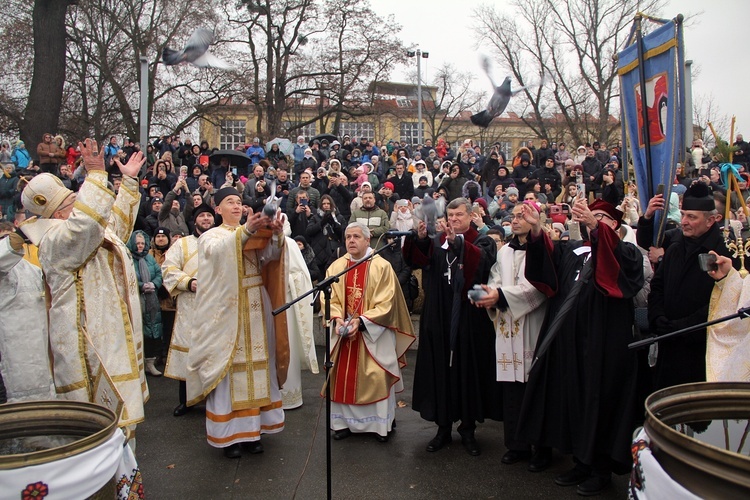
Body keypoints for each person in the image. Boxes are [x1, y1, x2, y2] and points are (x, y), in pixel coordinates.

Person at [19, 139, 148, 433]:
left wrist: (128, 181)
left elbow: (115, 226)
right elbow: (87, 225)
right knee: (102, 424)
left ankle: (125, 476)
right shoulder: (54, 240)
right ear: (59, 213)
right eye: (72, 202)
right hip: (89, 339)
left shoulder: (83, 230)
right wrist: (95, 175)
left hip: (110, 330)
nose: (79, 202)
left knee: (123, 424)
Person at [518, 199, 644, 496]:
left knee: (599, 403)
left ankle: (600, 469)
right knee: (573, 400)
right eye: (591, 215)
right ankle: (580, 461)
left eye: (601, 218)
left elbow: (621, 278)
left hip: (603, 345)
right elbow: (547, 271)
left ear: (615, 225)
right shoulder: (573, 249)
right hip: (569, 342)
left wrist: (594, 225)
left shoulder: (626, 252)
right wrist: (537, 230)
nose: (593, 220)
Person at [185, 187, 288, 459]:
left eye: (239, 201)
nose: (235, 205)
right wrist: (246, 232)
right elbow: (218, 254)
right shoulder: (211, 236)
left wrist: (276, 233)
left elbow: (269, 258)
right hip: (227, 310)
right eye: (229, 202)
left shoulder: (251, 229)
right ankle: (229, 436)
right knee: (229, 369)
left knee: (259, 366)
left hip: (257, 302)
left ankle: (253, 432)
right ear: (217, 209)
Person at [403, 198, 499, 456]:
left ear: (471, 216)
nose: (454, 219)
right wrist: (421, 238)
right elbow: (416, 261)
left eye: (459, 215)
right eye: (450, 215)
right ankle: (442, 428)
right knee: (439, 373)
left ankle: (468, 430)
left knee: (467, 373)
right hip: (437, 317)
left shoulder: (482, 240)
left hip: (469, 318)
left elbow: (482, 268)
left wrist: (458, 243)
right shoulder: (437, 240)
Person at [638, 182, 737, 390]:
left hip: (700, 349)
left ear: (711, 220)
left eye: (692, 217)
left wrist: (683, 327)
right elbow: (657, 287)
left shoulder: (723, 253)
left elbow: (722, 301)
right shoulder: (675, 247)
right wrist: (658, 318)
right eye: (683, 215)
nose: (684, 222)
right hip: (668, 342)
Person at [472, 203, 549, 470]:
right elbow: (495, 278)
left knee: (534, 390)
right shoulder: (504, 251)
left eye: (521, 216)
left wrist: (501, 296)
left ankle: (541, 447)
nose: (515, 221)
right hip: (506, 326)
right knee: (512, 389)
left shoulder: (542, 250)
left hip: (532, 326)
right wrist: (489, 294)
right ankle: (516, 445)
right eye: (513, 217)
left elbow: (540, 288)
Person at [326, 222, 415, 442]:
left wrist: (362, 322)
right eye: (348, 237)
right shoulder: (336, 267)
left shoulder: (381, 266)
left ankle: (379, 426)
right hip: (344, 334)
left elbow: (387, 303)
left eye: (356, 236)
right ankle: (342, 424)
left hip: (373, 333)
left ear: (368, 240)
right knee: (340, 377)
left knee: (376, 375)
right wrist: (337, 318)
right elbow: (331, 299)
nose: (351, 241)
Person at [162, 204, 215, 416]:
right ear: (195, 220)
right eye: (202, 215)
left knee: (213, 352)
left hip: (216, 306)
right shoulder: (182, 244)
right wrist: (189, 282)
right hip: (190, 305)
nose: (205, 219)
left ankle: (215, 400)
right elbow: (168, 268)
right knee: (189, 351)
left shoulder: (222, 241)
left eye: (209, 215)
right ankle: (186, 401)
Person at [0, 221, 56, 402]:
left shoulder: (32, 269)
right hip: (13, 342)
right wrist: (14, 238)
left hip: (38, 341)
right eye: (4, 238)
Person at [127, 230, 163, 377]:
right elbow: (127, 277)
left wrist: (154, 284)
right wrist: (141, 285)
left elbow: (159, 274)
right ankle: (138, 365)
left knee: (152, 331)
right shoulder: (128, 259)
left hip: (152, 299)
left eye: (142, 243)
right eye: (137, 243)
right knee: (139, 330)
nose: (140, 246)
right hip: (137, 298)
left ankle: (150, 362)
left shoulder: (149, 259)